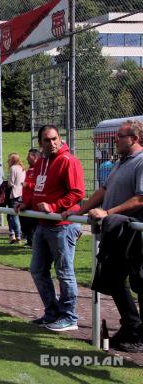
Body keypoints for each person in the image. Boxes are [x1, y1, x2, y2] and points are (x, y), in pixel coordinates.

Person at [63, 119, 143, 352]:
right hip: (118, 232)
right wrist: (80, 210)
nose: (115, 139)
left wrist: (108, 212)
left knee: (139, 284)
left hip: (135, 233)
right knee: (113, 279)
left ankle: (137, 334)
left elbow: (140, 198)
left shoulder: (141, 161)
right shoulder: (121, 162)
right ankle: (132, 326)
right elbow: (104, 190)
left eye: (120, 136)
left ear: (134, 139)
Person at [14, 125, 85, 332]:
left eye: (55, 139)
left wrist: (54, 207)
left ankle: (69, 317)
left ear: (59, 138)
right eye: (47, 140)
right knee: (37, 270)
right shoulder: (42, 162)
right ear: (40, 143)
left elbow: (77, 193)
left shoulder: (68, 161)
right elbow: (38, 190)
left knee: (64, 272)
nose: (52, 143)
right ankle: (52, 312)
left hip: (62, 226)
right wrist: (27, 204)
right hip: (43, 225)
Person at [20, 149, 40, 247]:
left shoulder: (39, 169)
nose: (27, 158)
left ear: (35, 157)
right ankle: (30, 240)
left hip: (33, 201)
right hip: (26, 201)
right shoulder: (30, 169)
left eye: (29, 156)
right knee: (26, 221)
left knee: (32, 223)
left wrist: (28, 185)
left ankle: (32, 242)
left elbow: (39, 185)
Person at [7, 153, 26, 244]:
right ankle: (20, 235)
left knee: (14, 215)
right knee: (20, 215)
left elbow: (11, 183)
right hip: (23, 193)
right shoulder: (22, 168)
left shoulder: (13, 168)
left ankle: (18, 236)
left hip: (15, 193)